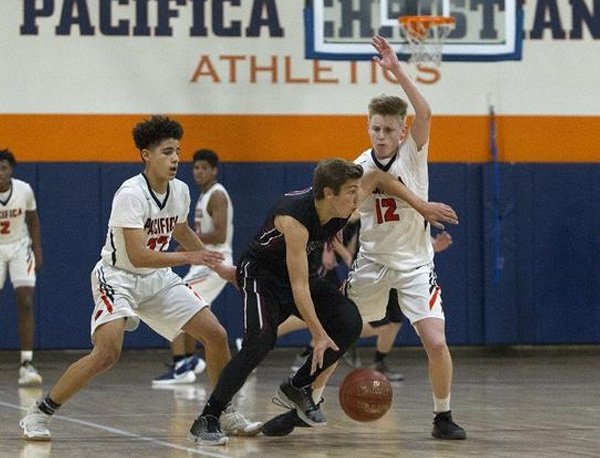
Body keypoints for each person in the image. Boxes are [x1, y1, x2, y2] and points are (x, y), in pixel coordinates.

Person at [261, 35, 466, 440]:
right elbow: (350, 211)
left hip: (414, 264)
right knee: (340, 333)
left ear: (402, 131)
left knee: (436, 341)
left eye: (389, 129)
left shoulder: (414, 152)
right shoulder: (358, 168)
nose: (381, 136)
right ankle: (308, 404)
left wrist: (397, 71)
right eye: (375, 128)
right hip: (371, 262)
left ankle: (442, 416)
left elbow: (424, 109)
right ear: (367, 127)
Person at [19, 116, 260, 441]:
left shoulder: (180, 191)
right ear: (146, 155)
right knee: (107, 353)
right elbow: (138, 255)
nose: (175, 159)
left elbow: (181, 229)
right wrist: (191, 257)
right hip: (117, 277)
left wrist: (219, 267)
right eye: (167, 152)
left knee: (216, 334)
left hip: (157, 279)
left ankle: (222, 412)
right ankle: (40, 412)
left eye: (178, 151)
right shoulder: (130, 194)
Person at [153, 149, 234, 386]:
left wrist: (188, 244)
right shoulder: (203, 194)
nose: (199, 172)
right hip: (204, 261)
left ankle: (182, 365)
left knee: (178, 303)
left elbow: (219, 233)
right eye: (196, 167)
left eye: (204, 168)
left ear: (214, 170)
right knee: (188, 308)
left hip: (215, 260)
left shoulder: (218, 195)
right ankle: (189, 360)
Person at [0, 149, 44, 386]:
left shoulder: (24, 189)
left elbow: (33, 218)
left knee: (26, 301)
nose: (0, 173)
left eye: (4, 167)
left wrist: (37, 249)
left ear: (11, 169)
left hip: (19, 246)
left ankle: (26, 364)